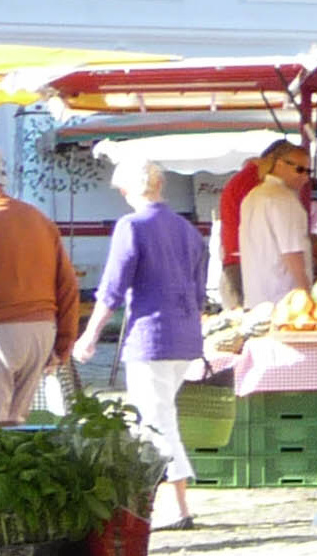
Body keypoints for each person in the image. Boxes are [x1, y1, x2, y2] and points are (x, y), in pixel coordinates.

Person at [72, 160, 209, 527]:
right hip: (185, 339)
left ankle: (177, 507)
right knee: (164, 415)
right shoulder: (188, 231)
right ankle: (173, 502)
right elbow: (199, 295)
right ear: (161, 185)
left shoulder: (130, 227)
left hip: (150, 338)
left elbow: (112, 289)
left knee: (157, 421)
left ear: (125, 190)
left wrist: (89, 335)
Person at [0, 179, 79, 425]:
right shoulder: (37, 218)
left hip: (4, 329)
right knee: (15, 425)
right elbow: (68, 286)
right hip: (41, 332)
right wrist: (63, 346)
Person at [236, 140, 315, 309]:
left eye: (309, 171)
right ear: (279, 165)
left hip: (256, 297)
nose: (306, 177)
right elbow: (291, 251)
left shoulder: (253, 195)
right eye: (300, 170)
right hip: (284, 299)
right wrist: (306, 293)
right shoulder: (283, 199)